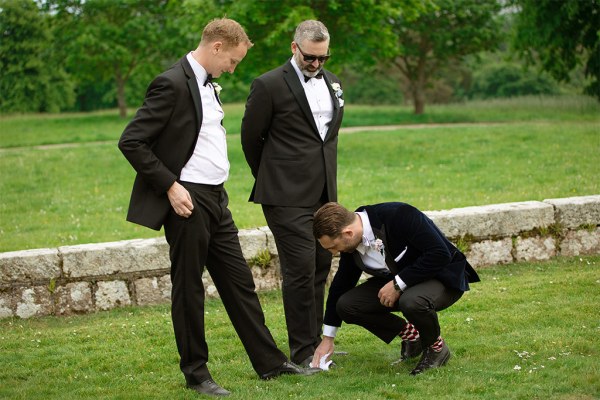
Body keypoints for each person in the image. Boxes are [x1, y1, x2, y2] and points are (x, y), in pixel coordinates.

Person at [118, 18, 317, 397]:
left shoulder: (207, 84)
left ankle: (271, 364)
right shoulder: (172, 82)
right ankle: (196, 373)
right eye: (234, 62)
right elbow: (132, 141)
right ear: (217, 47)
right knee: (189, 287)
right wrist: (171, 187)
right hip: (187, 199)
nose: (233, 68)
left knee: (240, 283)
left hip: (216, 198)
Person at [240, 20, 344, 367]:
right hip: (284, 194)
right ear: (294, 47)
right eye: (310, 58)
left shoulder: (332, 83)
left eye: (323, 58)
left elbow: (326, 138)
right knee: (300, 267)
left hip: (324, 193)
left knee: (320, 264)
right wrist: (272, 177)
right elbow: (250, 139)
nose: (316, 65)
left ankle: (317, 344)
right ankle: (301, 350)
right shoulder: (268, 85)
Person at [311, 202, 480, 375]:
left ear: (348, 233)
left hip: (441, 277)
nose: (333, 253)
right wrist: (328, 338)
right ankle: (413, 337)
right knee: (347, 305)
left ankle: (436, 348)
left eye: (332, 247)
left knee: (412, 301)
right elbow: (341, 284)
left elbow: (439, 253)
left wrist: (398, 284)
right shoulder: (351, 243)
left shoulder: (400, 214)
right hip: (402, 282)